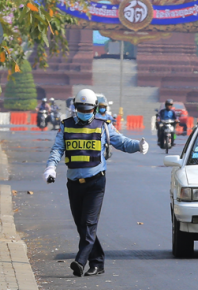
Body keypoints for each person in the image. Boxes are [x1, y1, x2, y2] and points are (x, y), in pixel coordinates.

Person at [42, 89, 148, 278]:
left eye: (88, 109)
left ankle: (80, 261)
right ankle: (97, 262)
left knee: (89, 223)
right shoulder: (66, 126)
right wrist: (51, 167)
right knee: (81, 225)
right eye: (80, 108)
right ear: (75, 107)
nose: (84, 112)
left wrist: (138, 146)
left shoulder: (103, 126)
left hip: (96, 182)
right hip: (74, 182)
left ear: (95, 109)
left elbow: (121, 142)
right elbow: (58, 148)